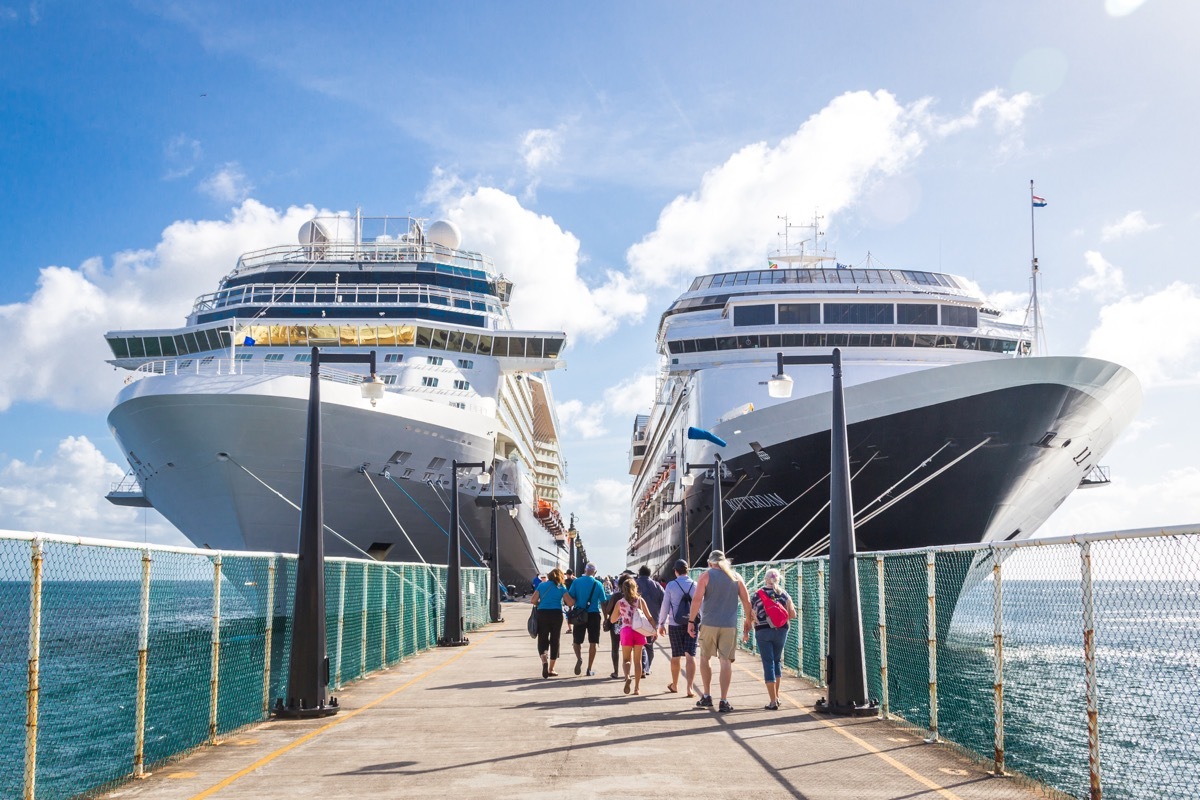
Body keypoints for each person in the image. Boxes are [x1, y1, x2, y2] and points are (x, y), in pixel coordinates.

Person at [687, 550, 753, 713]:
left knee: (705, 657)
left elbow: (697, 599)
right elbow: (746, 600)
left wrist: (691, 620)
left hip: (709, 623)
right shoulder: (736, 577)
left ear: (710, 563)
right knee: (725, 662)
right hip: (729, 625)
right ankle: (723, 700)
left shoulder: (706, 576)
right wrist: (748, 620)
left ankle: (707, 695)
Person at [747, 568, 798, 709]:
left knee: (768, 663)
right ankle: (777, 696)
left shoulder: (757, 595)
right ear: (778, 580)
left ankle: (773, 701)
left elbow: (751, 614)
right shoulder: (784, 594)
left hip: (763, 631)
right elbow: (792, 614)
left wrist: (749, 628)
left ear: (765, 579)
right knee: (776, 661)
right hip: (781, 631)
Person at [608, 576, 657, 695]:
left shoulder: (620, 603)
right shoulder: (640, 600)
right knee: (638, 660)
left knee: (626, 659)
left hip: (626, 631)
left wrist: (621, 614)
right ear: (635, 588)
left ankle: (627, 676)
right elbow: (649, 617)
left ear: (623, 590)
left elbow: (613, 620)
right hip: (639, 631)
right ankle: (637, 688)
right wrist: (654, 630)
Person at [657, 559, 697, 697]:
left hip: (675, 624)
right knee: (690, 655)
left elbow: (665, 606)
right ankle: (690, 688)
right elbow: (701, 605)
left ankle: (675, 685)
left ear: (675, 571)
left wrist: (661, 624)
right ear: (687, 570)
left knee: (675, 656)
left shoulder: (671, 585)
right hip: (692, 623)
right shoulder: (695, 584)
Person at [564, 563, 608, 676]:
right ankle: (589, 669)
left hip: (580, 614)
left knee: (576, 641)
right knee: (593, 642)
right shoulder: (598, 584)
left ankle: (579, 658)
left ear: (585, 570)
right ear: (595, 572)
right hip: (594, 614)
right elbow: (603, 603)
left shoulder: (576, 582)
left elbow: (570, 597)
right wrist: (606, 618)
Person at [531, 568, 568, 678]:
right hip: (556, 614)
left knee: (542, 637)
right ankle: (551, 669)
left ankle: (544, 660)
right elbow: (569, 602)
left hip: (542, 613)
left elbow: (533, 600)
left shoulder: (542, 585)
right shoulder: (561, 587)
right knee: (555, 639)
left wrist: (541, 604)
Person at [601, 571, 633, 679]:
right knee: (628, 649)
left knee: (615, 648)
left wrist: (606, 616)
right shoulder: (635, 597)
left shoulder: (616, 596)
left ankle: (616, 671)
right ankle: (627, 673)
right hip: (630, 626)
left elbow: (609, 609)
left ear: (620, 585)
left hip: (616, 625)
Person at [635, 565, 665, 677]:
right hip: (653, 620)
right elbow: (664, 601)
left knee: (639, 645)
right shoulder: (657, 585)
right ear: (649, 574)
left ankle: (642, 668)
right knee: (649, 645)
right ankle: (647, 668)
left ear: (639, 573)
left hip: (637, 620)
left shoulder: (634, 584)